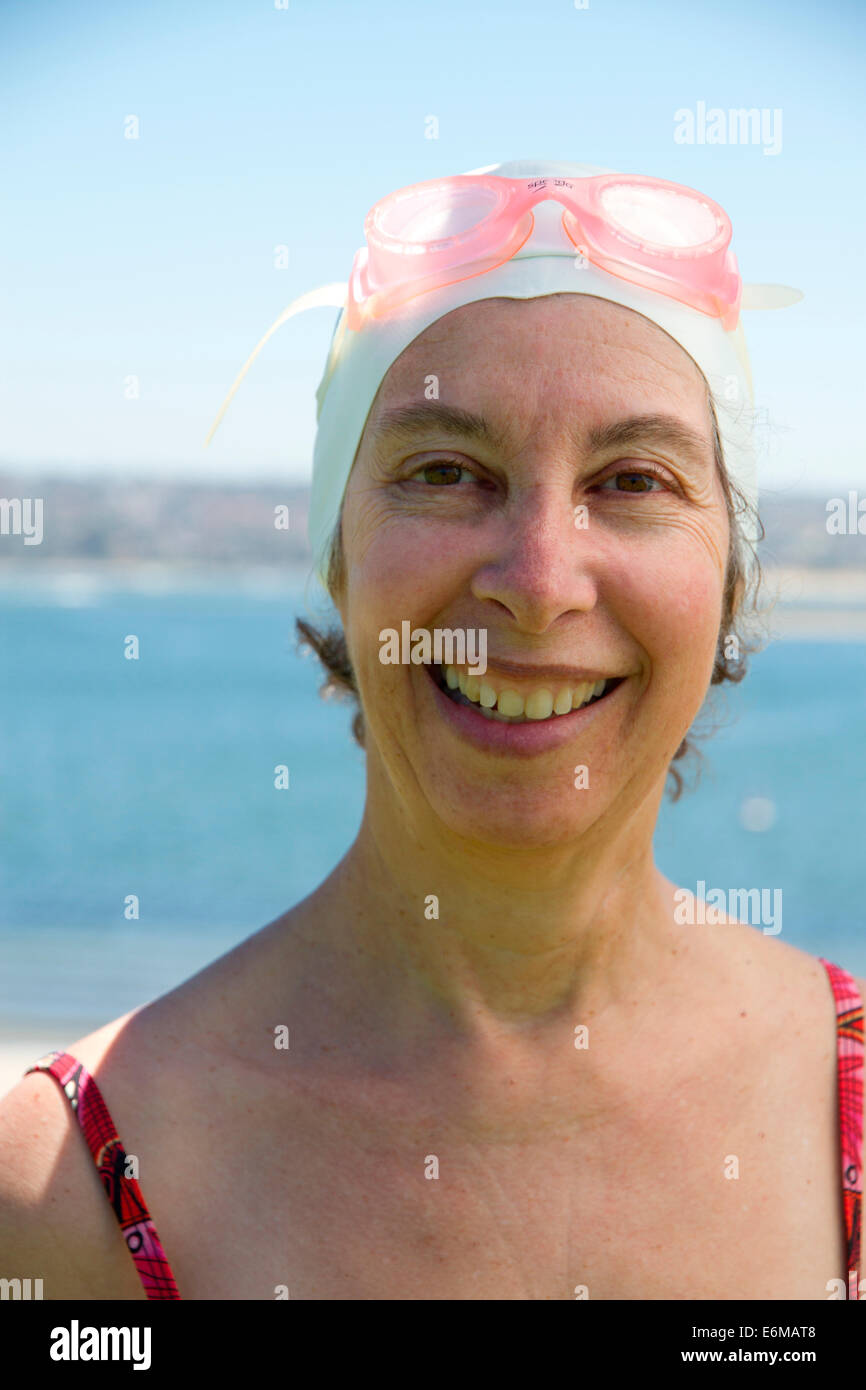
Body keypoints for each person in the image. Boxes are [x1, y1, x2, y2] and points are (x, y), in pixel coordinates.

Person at [0, 158, 861, 1302]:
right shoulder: (71, 1186)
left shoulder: (838, 1105)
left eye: (632, 480)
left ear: (726, 576)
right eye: (445, 470)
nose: (539, 580)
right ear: (337, 552)